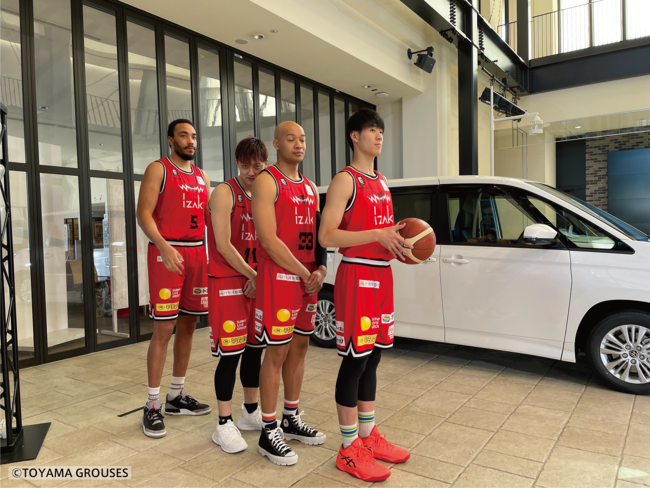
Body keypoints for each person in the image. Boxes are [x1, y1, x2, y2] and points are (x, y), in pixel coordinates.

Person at [319, 108, 413, 481]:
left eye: (381, 131)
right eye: (372, 130)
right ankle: (348, 450)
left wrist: (400, 244)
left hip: (382, 275)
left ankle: (367, 436)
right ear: (354, 136)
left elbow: (383, 233)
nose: (379, 136)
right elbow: (327, 235)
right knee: (354, 361)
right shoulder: (345, 180)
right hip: (357, 275)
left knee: (373, 358)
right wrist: (376, 235)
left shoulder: (383, 182)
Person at [252, 121, 328, 466]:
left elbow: (320, 234)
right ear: (276, 144)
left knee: (300, 347)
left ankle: (290, 417)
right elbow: (268, 239)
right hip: (280, 277)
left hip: (307, 278)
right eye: (290, 139)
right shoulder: (267, 181)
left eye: (303, 139)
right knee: (277, 352)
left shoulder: (310, 187)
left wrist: (321, 269)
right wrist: (303, 272)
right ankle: (268, 431)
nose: (298, 144)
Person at [136, 119, 211, 439]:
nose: (190, 140)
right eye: (183, 135)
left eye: (193, 136)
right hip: (166, 252)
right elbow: (143, 213)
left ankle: (176, 395)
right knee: (164, 329)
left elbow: (208, 218)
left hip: (196, 253)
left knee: (189, 325)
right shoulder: (158, 169)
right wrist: (164, 245)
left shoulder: (202, 176)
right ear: (170, 140)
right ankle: (152, 404)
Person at [207, 136, 268, 453]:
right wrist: (253, 275)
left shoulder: (266, 195)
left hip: (257, 280)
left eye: (257, 165)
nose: (251, 172)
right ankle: (223, 424)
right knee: (230, 354)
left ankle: (250, 412)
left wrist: (260, 277)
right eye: (245, 166)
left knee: (255, 351)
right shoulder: (224, 192)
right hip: (229, 280)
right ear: (236, 163)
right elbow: (222, 244)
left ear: (266, 164)